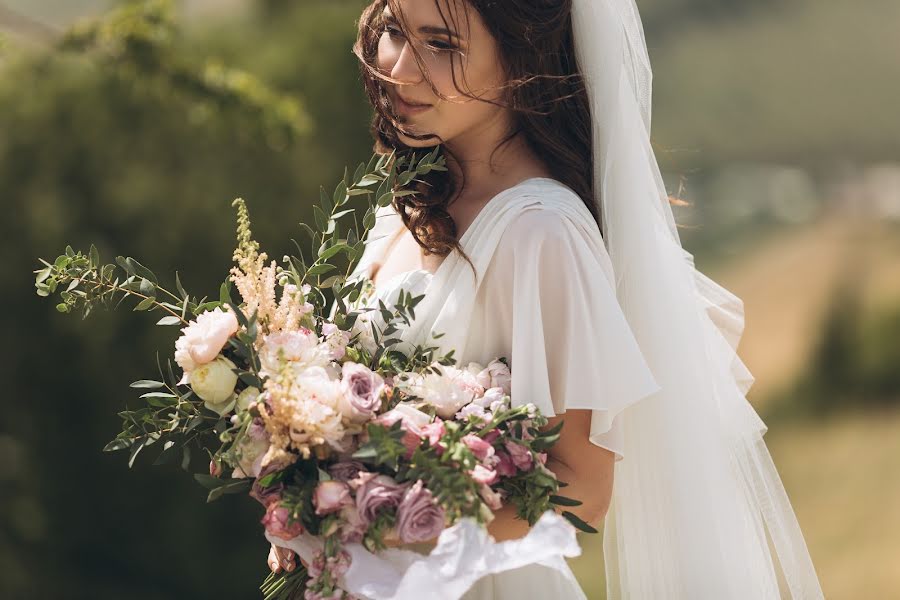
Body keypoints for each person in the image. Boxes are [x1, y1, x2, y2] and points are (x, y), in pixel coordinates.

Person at [271, 1, 825, 598]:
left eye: (442, 46)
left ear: (520, 57)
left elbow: (583, 486)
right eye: (393, 33)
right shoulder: (412, 205)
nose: (400, 69)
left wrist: (379, 536)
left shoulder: (541, 232)